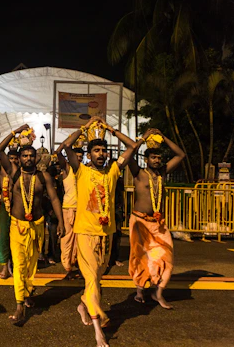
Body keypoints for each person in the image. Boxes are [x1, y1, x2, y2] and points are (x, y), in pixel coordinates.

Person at [63, 116, 136, 347]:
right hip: (84, 233)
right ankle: (98, 331)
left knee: (97, 279)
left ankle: (83, 305)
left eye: (104, 151)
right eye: (96, 150)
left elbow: (133, 146)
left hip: (107, 234)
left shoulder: (113, 171)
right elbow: (65, 147)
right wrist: (85, 128)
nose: (101, 154)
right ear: (89, 154)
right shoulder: (81, 171)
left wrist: (110, 129)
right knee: (92, 279)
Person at [3, 141, 64, 324]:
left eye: (31, 155)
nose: (28, 159)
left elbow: (53, 198)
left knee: (31, 264)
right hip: (17, 225)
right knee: (20, 264)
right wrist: (16, 133)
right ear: (19, 158)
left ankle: (27, 292)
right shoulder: (14, 173)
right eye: (25, 156)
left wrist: (61, 221)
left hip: (37, 225)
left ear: (36, 158)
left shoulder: (43, 176)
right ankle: (19, 304)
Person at [127, 128, 185, 309]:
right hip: (139, 221)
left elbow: (181, 154)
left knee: (166, 255)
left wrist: (164, 137)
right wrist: (143, 139)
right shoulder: (138, 173)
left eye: (159, 158)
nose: (157, 160)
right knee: (140, 257)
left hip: (158, 223)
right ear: (146, 159)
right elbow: (129, 155)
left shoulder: (163, 172)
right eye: (153, 157)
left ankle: (158, 293)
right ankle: (139, 291)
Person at [0, 125, 30, 279]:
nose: (12, 162)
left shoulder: (22, 171)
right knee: (4, 237)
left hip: (22, 208)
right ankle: (5, 267)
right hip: (5, 207)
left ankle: (18, 266)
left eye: (15, 159)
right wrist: (14, 133)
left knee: (20, 238)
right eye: (10, 159)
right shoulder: (1, 170)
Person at [54, 142, 85, 278]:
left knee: (81, 242)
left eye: (80, 157)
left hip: (83, 210)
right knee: (67, 241)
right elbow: (58, 152)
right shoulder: (67, 169)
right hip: (68, 209)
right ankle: (68, 268)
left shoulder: (86, 170)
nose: (78, 159)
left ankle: (80, 268)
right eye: (75, 156)